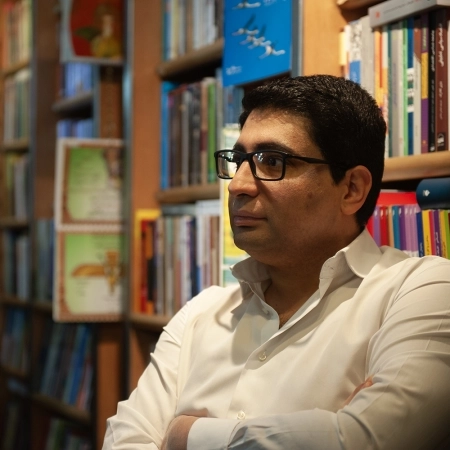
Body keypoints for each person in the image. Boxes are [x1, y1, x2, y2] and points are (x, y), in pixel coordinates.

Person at [102, 75, 450, 450]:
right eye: (238, 160)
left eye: (271, 161)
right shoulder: (201, 314)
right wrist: (317, 432)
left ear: (351, 189)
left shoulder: (422, 291)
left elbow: (367, 441)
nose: (238, 185)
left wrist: (184, 435)